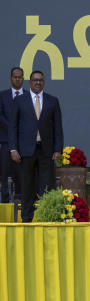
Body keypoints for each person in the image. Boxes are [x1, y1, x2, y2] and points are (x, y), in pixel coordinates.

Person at [9, 70, 63, 222]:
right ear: (29, 82)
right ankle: (26, 218)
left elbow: (58, 127)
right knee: (27, 185)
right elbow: (13, 126)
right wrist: (13, 148)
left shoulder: (53, 101)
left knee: (46, 186)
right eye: (34, 80)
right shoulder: (20, 100)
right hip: (25, 151)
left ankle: (46, 218)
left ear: (43, 82)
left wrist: (58, 148)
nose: (37, 82)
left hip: (46, 150)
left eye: (40, 80)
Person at [0, 67, 25, 203]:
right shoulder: (2, 95)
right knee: (5, 179)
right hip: (6, 144)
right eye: (15, 77)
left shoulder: (28, 95)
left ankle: (23, 213)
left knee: (22, 179)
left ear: (23, 78)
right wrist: (12, 127)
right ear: (11, 78)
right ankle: (4, 211)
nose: (17, 79)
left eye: (20, 77)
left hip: (23, 145)